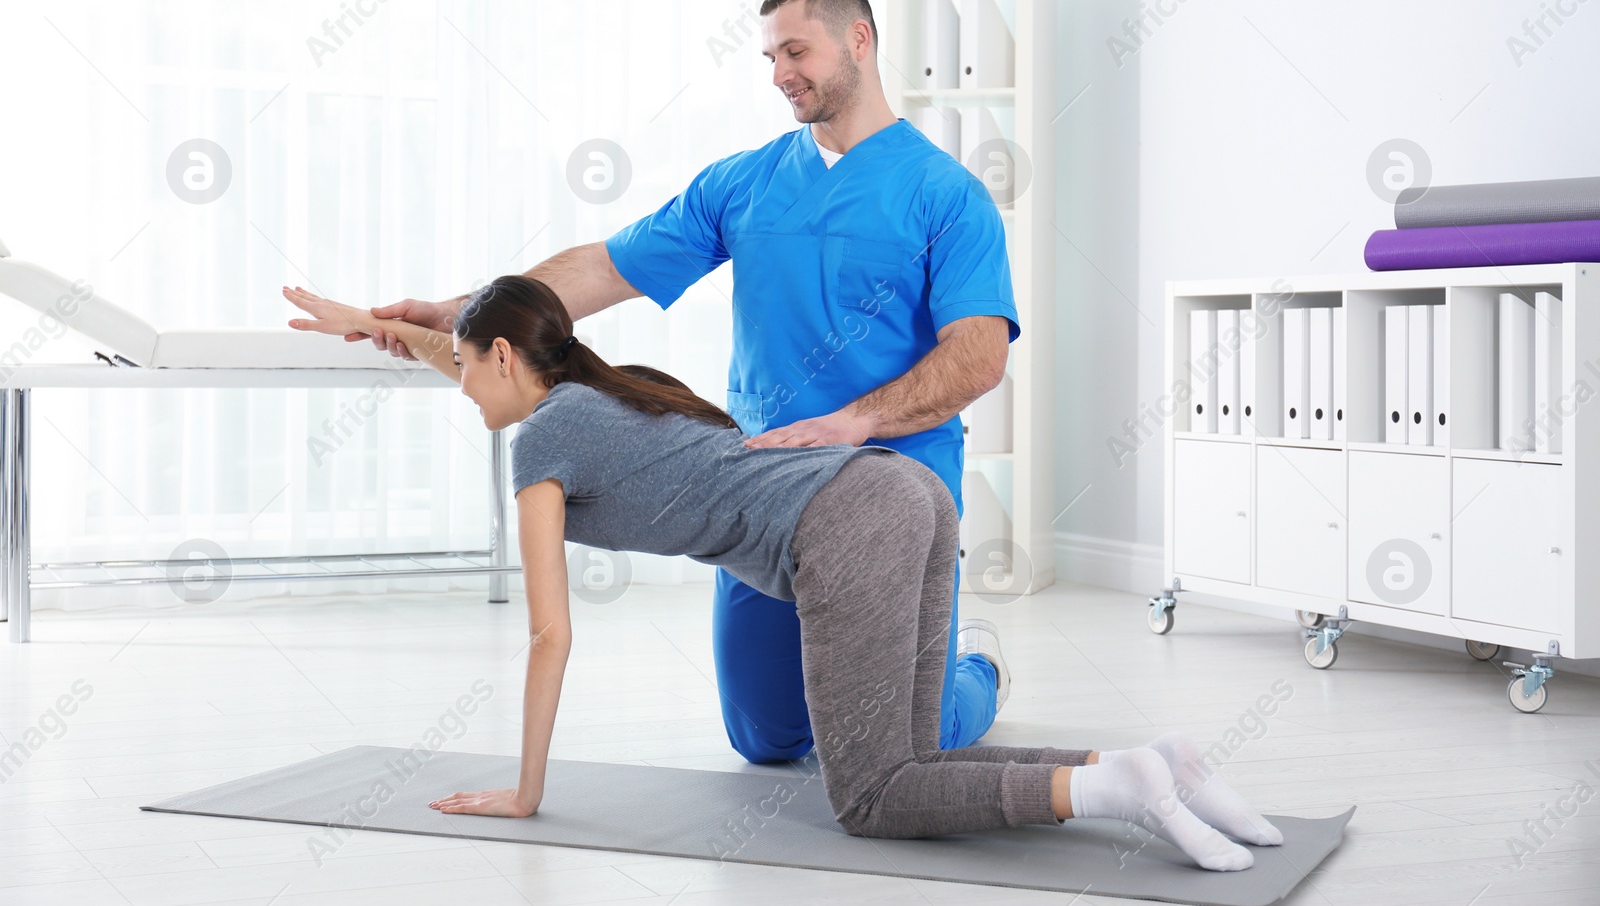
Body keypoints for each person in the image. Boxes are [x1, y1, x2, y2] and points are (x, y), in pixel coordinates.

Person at [282, 278, 1281, 871]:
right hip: (901, 488)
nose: (457, 384)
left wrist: (527, 790)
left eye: (462, 366)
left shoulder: (542, 439)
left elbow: (549, 633)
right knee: (913, 754)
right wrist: (367, 325)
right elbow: (462, 358)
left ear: (503, 356)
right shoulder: (603, 394)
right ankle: (1158, 763)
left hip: (845, 521)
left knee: (875, 795)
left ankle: (1114, 793)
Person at [349, 0, 1014, 764]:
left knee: (918, 737)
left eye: (795, 51)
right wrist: (460, 309)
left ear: (859, 41)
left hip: (894, 483)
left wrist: (853, 421)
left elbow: (976, 357)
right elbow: (603, 267)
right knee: (765, 738)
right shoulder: (745, 182)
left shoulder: (948, 194)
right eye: (769, 57)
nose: (779, 74)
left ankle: (980, 671)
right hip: (765, 489)